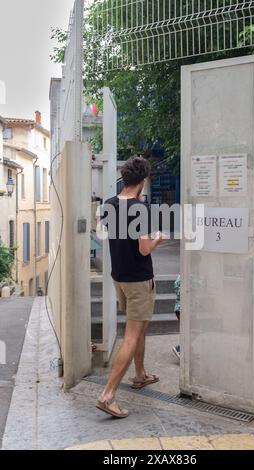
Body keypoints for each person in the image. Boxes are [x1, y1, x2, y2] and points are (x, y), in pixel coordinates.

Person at [96, 156, 165, 418]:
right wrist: (158, 238)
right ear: (143, 181)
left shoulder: (109, 204)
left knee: (140, 327)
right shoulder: (140, 208)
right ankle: (107, 395)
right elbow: (144, 248)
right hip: (138, 280)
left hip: (120, 278)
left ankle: (139, 375)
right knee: (132, 335)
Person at [172, 275, 181, 361]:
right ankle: (179, 349)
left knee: (190, 331)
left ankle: (188, 349)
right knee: (190, 331)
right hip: (182, 309)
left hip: (186, 309)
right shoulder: (182, 277)